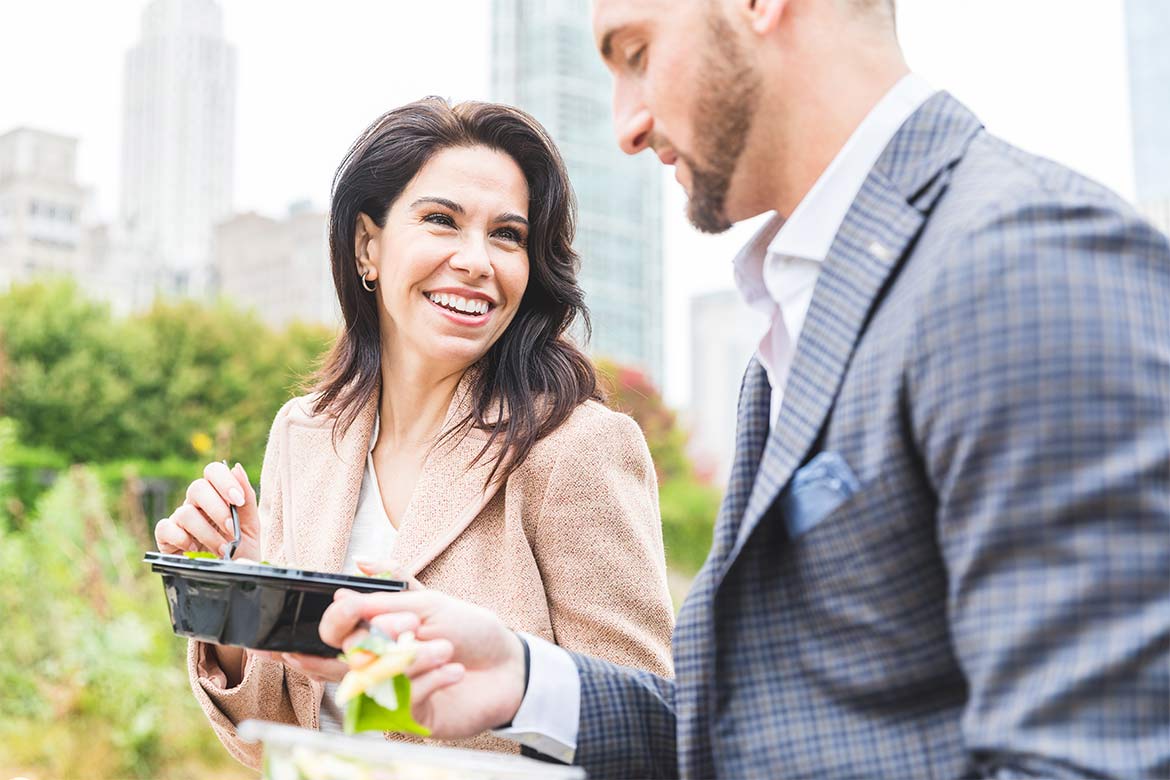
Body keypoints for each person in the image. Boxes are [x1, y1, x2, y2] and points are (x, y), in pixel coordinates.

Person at [319, 0, 1170, 777]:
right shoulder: (795, 322)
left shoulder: (1030, 264)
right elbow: (771, 731)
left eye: (637, 52)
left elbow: (1087, 758)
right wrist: (526, 680)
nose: (626, 123)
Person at [153, 98, 675, 770]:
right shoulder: (304, 436)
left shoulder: (576, 447)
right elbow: (283, 726)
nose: (476, 260)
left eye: (508, 235)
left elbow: (647, 731)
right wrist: (240, 601)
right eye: (441, 221)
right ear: (368, 245)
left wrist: (448, 672)